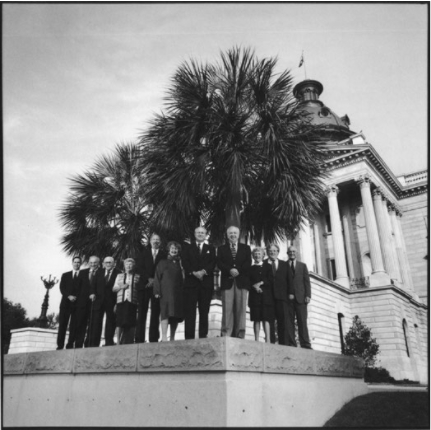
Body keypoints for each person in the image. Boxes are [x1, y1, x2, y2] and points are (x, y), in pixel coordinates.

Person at [217, 226, 251, 338]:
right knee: (227, 309)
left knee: (241, 309)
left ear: (238, 235)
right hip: (227, 282)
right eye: (230, 233)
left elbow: (248, 262)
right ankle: (226, 334)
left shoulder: (246, 248)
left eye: (235, 233)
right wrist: (229, 270)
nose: (233, 235)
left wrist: (238, 270)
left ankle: (240, 334)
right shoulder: (221, 248)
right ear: (227, 235)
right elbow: (219, 263)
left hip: (241, 282)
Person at [182, 226, 216, 339]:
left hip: (205, 284)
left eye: (202, 232)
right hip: (191, 284)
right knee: (190, 311)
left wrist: (203, 272)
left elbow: (212, 263)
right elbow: (185, 262)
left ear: (206, 235)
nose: (200, 234)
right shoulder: (187, 248)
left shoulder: (210, 248)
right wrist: (193, 272)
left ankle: (203, 335)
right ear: (195, 234)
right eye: (198, 232)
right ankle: (189, 337)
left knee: (204, 311)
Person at [135, 234, 166, 343]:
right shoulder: (143, 253)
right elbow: (139, 268)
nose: (156, 241)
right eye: (154, 239)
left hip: (157, 287)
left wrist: (155, 281)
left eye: (158, 239)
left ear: (160, 242)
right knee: (141, 313)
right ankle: (139, 338)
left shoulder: (164, 255)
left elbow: (164, 270)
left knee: (155, 313)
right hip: (144, 286)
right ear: (150, 241)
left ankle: (153, 338)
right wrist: (149, 279)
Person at [154, 241, 184, 341]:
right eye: (172, 248)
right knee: (165, 313)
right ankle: (163, 336)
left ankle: (172, 337)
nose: (174, 250)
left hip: (178, 292)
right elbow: (157, 277)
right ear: (168, 249)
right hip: (165, 292)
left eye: (176, 248)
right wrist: (157, 291)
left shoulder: (181, 263)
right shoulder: (162, 262)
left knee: (175, 315)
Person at [88, 256, 121, 347]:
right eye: (106, 262)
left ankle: (109, 342)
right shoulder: (99, 272)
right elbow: (92, 285)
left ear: (114, 263)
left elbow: (119, 289)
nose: (108, 264)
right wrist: (92, 293)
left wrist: (117, 303)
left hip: (112, 302)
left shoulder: (119, 273)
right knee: (96, 323)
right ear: (103, 264)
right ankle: (94, 344)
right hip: (98, 301)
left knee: (110, 322)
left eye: (110, 262)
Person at [286, 246, 312, 349]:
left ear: (296, 253)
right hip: (288, 299)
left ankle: (305, 344)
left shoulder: (302, 266)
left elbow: (306, 281)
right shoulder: (284, 265)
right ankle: (291, 343)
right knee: (289, 322)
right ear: (287, 253)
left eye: (294, 251)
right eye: (290, 251)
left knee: (302, 322)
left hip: (301, 298)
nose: (292, 253)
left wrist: (308, 295)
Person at [113, 258, 142, 344]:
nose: (129, 266)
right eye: (127, 264)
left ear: (133, 266)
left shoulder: (137, 276)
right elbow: (114, 289)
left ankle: (127, 340)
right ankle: (118, 341)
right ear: (124, 266)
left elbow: (139, 289)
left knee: (131, 321)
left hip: (132, 301)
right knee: (119, 322)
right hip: (121, 301)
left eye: (130, 264)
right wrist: (121, 287)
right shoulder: (119, 276)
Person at [248, 247, 274, 343]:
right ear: (253, 256)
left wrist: (261, 283)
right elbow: (248, 281)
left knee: (266, 318)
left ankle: (267, 339)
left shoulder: (268, 266)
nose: (257, 255)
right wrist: (254, 286)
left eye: (259, 253)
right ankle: (256, 339)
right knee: (256, 318)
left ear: (263, 255)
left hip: (265, 296)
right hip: (254, 296)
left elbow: (271, 279)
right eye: (255, 254)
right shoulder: (250, 268)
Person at [74, 255, 100, 348]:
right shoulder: (82, 272)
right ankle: (78, 345)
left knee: (93, 325)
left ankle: (88, 344)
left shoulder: (101, 272)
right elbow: (77, 287)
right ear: (88, 263)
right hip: (82, 304)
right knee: (80, 324)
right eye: (91, 262)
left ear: (98, 263)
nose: (93, 264)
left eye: (95, 262)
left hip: (95, 303)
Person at [56, 256, 82, 350]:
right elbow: (62, 288)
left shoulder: (83, 275)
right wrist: (69, 296)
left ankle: (70, 345)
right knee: (62, 325)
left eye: (78, 262)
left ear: (80, 264)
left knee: (73, 326)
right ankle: (60, 345)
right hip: (65, 304)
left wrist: (76, 298)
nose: (76, 264)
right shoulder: (65, 275)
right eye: (75, 262)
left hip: (77, 305)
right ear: (72, 263)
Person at [266, 244, 290, 346]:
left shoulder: (284, 264)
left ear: (278, 252)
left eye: (275, 251)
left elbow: (289, 280)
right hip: (269, 297)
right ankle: (271, 343)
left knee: (282, 321)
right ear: (267, 252)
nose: (273, 252)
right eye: (271, 251)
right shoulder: (264, 264)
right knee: (270, 321)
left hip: (282, 296)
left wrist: (291, 293)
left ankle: (284, 344)